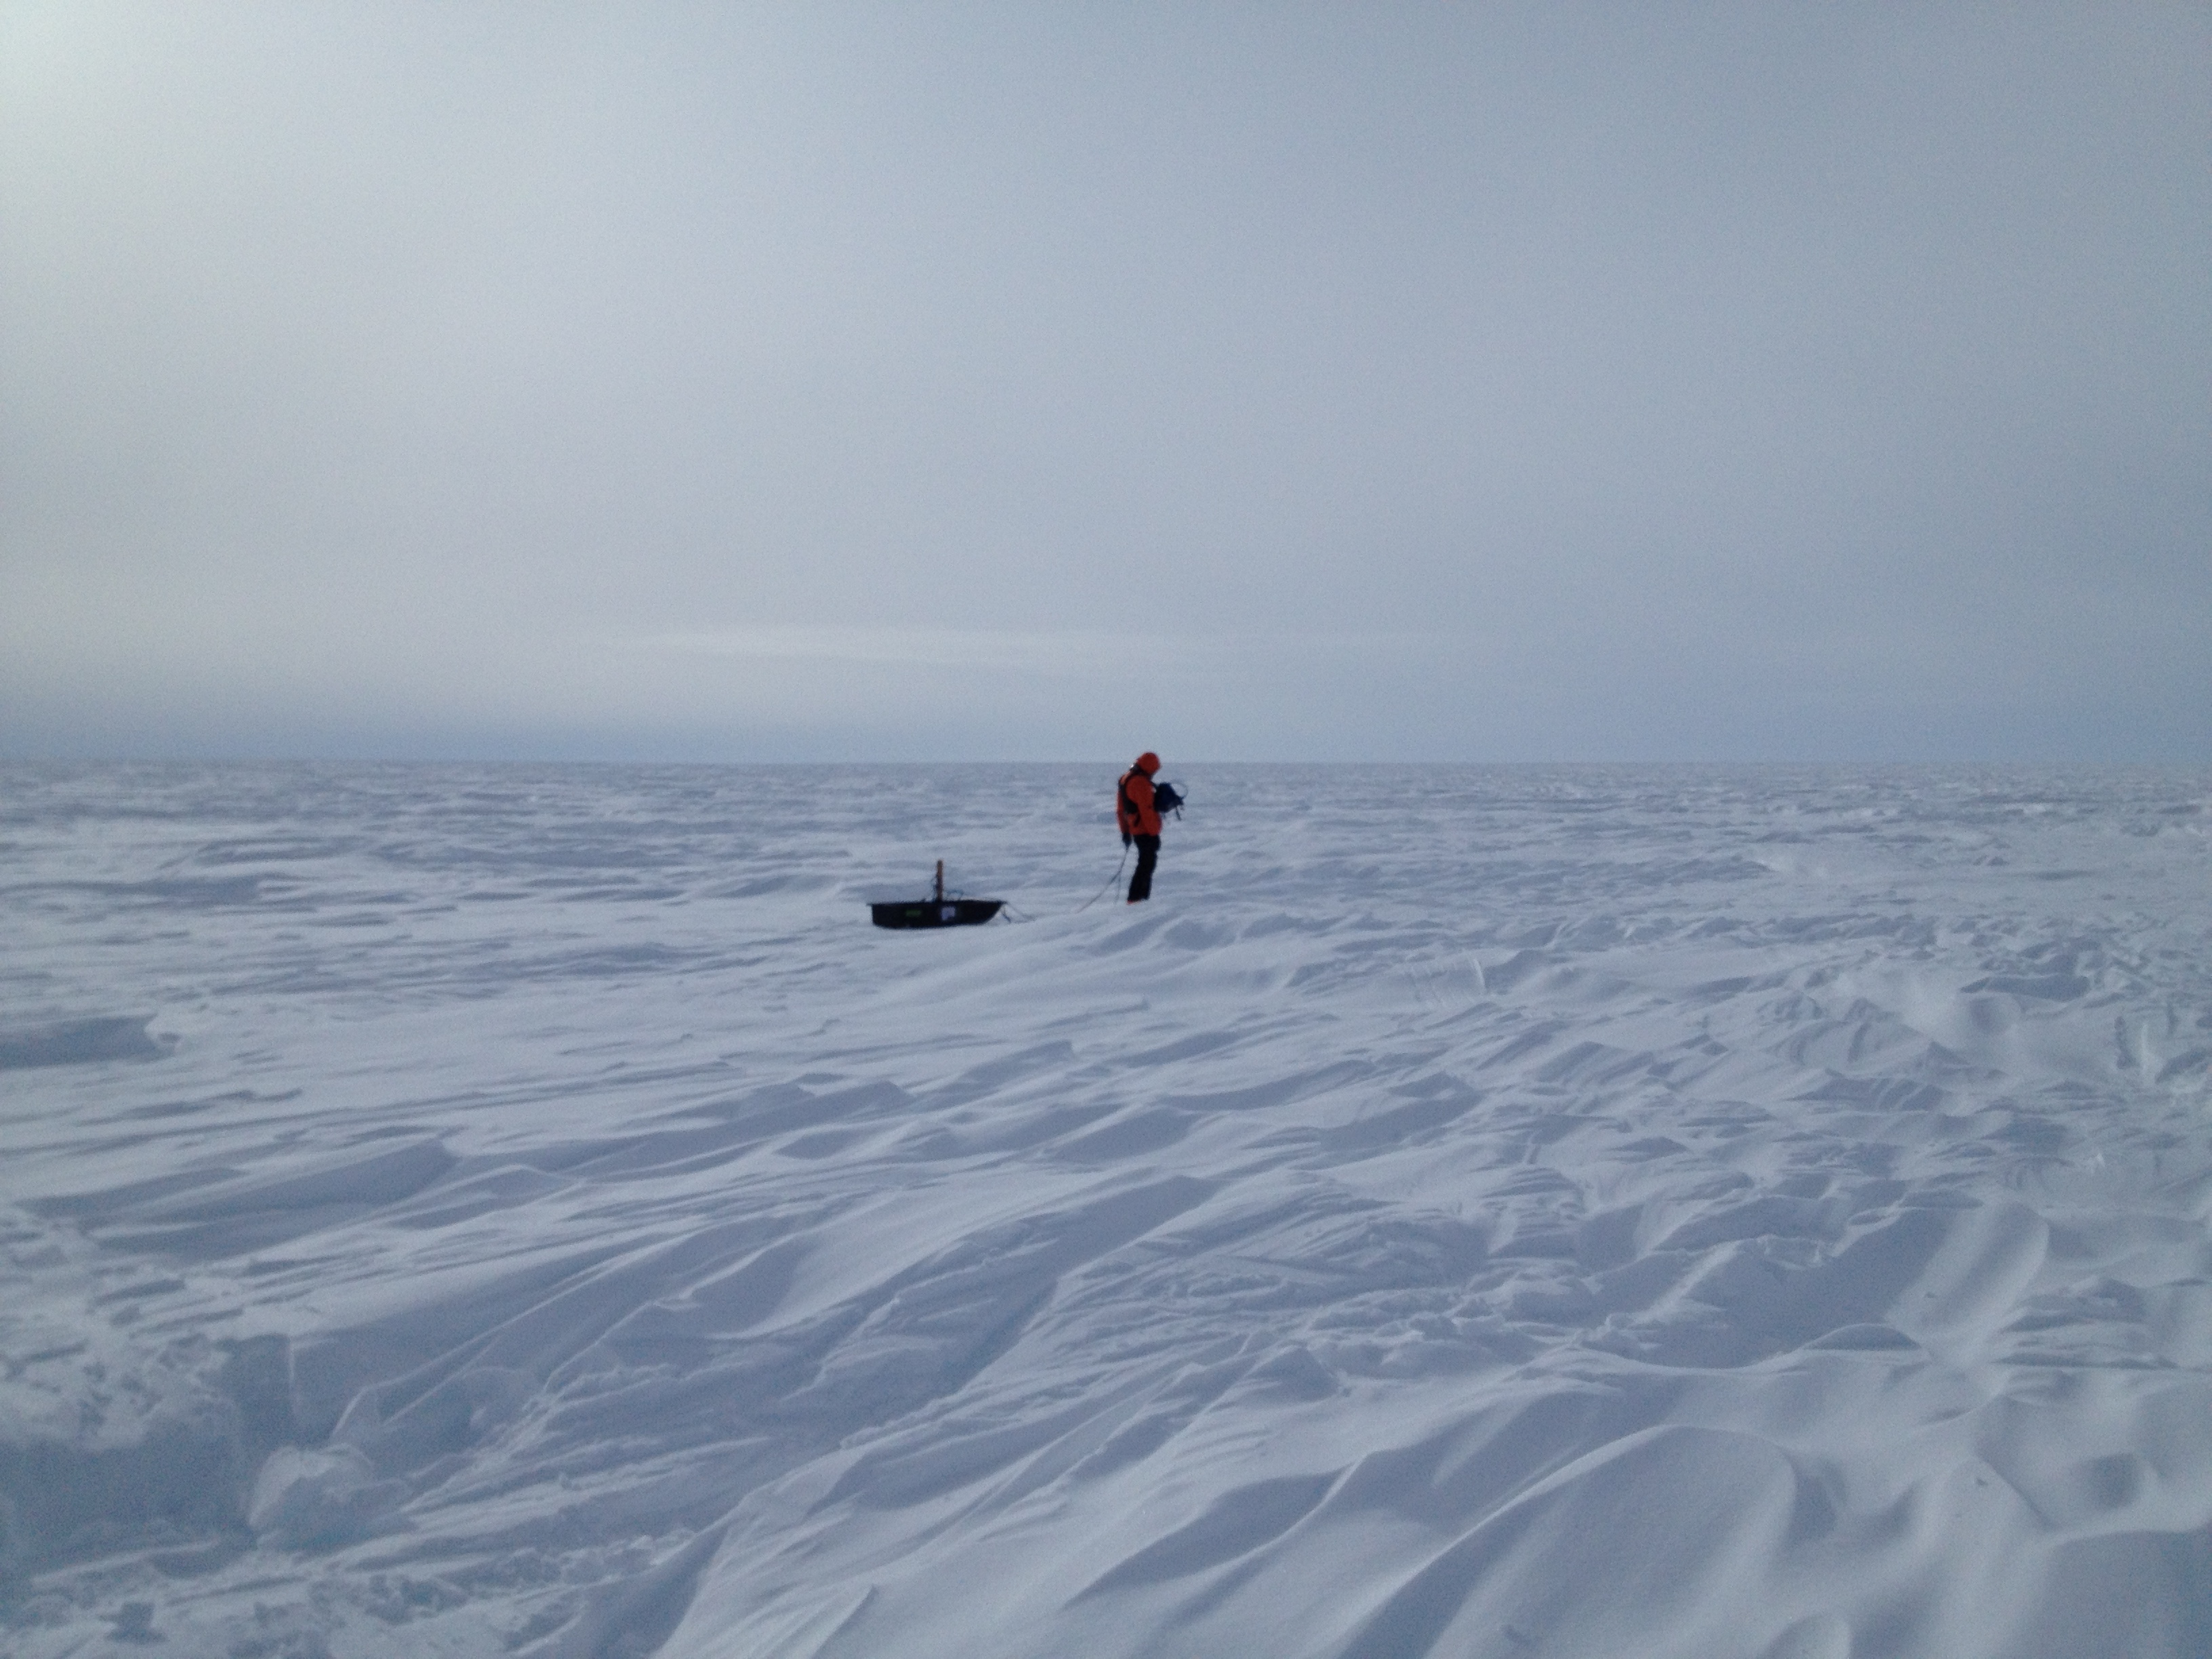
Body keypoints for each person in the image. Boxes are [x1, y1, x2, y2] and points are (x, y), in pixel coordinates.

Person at [1117, 752, 1165, 903]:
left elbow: (1120, 809)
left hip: (1134, 830)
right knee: (1146, 866)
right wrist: (1154, 833)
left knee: (1145, 865)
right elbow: (1147, 812)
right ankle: (1137, 900)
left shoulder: (1125, 779)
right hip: (1145, 831)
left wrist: (1125, 831)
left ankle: (1137, 900)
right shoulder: (1141, 783)